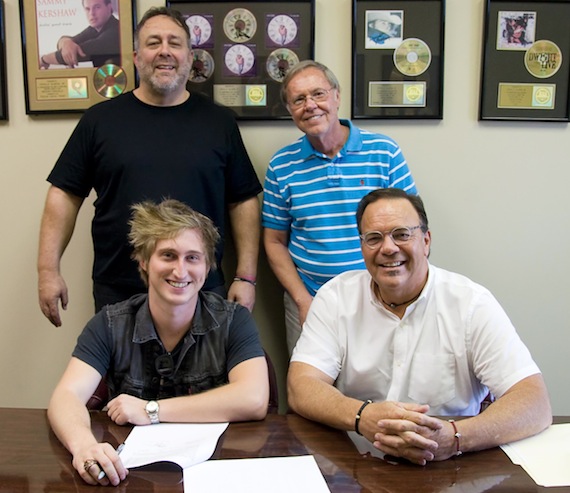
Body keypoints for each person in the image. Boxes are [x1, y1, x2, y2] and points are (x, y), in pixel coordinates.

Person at [287, 188, 552, 465]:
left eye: (401, 234)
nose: (388, 248)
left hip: (453, 466)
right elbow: (301, 386)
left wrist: (454, 437)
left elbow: (535, 402)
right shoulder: (335, 297)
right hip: (359, 462)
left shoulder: (471, 304)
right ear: (362, 247)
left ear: (426, 241)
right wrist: (362, 415)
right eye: (374, 238)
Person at [38, 7, 261, 327]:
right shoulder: (100, 120)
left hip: (201, 288)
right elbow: (64, 195)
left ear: (189, 55)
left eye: (175, 42)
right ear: (136, 55)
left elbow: (243, 200)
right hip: (120, 292)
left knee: (208, 379)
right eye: (153, 42)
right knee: (119, 378)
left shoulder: (219, 122)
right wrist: (48, 271)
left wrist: (247, 277)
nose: (164, 51)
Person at [47, 199, 269, 486]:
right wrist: (83, 446)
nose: (180, 271)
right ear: (144, 261)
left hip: (214, 473)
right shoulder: (109, 324)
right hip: (132, 476)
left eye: (193, 257)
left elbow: (253, 398)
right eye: (168, 255)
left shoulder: (234, 320)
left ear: (207, 265)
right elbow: (66, 397)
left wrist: (151, 410)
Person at [262, 60, 416, 353]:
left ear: (337, 96)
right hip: (309, 299)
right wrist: (302, 300)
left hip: (381, 297)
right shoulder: (282, 165)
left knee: (383, 391)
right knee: (309, 392)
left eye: (318, 94)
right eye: (299, 99)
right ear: (290, 110)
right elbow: (274, 241)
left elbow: (412, 230)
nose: (310, 105)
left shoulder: (384, 152)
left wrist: (400, 293)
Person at [40, 0, 120, 69]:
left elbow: (78, 52)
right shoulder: (94, 29)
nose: (92, 13)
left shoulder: (116, 30)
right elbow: (69, 40)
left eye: (97, 7)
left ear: (109, 8)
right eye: (87, 9)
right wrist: (66, 43)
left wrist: (43, 59)